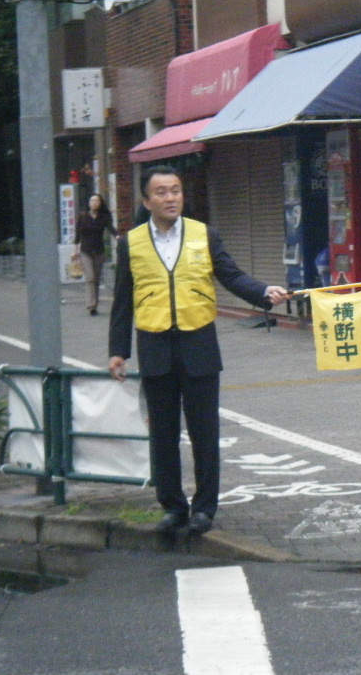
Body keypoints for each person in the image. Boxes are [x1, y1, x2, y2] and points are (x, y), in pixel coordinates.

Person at [108, 165, 287, 536]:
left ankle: (204, 509)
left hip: (199, 343)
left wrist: (263, 292)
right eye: (161, 192)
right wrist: (118, 350)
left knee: (205, 431)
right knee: (163, 433)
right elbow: (123, 300)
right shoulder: (131, 242)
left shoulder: (205, 235)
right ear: (146, 200)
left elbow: (231, 275)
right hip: (155, 344)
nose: (170, 197)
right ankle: (172, 506)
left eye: (175, 190)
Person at [73, 193, 117, 316]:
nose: (94, 203)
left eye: (97, 201)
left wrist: (117, 236)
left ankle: (94, 306)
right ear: (89, 203)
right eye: (92, 201)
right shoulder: (83, 216)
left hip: (99, 251)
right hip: (85, 251)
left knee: (96, 279)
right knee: (90, 278)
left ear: (100, 203)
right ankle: (90, 304)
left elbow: (111, 228)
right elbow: (77, 235)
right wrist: (75, 251)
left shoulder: (103, 217)